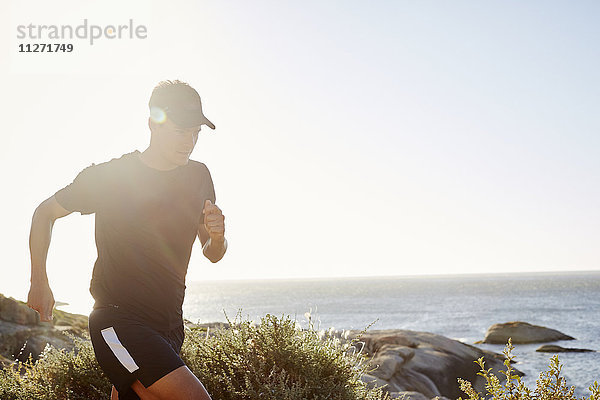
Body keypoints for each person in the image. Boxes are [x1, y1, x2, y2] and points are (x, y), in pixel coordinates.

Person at [27, 80, 226, 400]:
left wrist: (218, 237)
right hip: (119, 320)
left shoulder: (198, 176)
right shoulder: (110, 177)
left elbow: (212, 253)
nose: (189, 142)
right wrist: (40, 281)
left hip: (170, 326)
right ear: (153, 123)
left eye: (196, 133)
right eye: (181, 131)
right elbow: (44, 214)